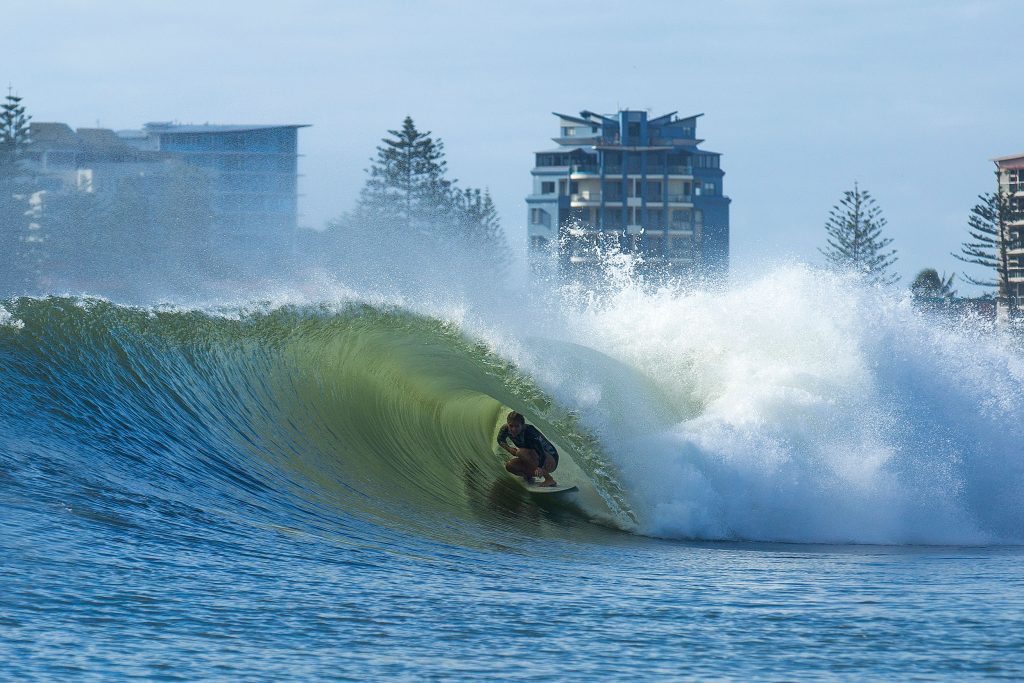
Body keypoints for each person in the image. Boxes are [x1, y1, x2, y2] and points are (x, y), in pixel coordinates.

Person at [497, 411, 559, 487]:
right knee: (510, 465)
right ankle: (528, 477)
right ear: (508, 424)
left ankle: (549, 479)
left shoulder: (529, 432)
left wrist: (539, 467)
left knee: (520, 452)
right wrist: (509, 449)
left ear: (522, 425)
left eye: (517, 426)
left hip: (550, 459)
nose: (513, 429)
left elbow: (542, 453)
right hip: (535, 459)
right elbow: (500, 440)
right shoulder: (505, 429)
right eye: (511, 426)